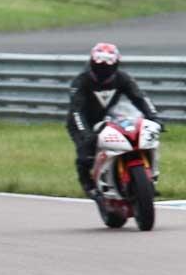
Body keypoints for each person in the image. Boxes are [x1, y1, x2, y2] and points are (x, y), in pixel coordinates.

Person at [67, 42, 164, 199]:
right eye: (99, 65)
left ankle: (147, 180)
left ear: (116, 64)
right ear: (92, 63)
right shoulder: (81, 82)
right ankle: (89, 187)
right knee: (85, 155)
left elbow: (140, 98)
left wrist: (154, 117)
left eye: (108, 65)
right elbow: (76, 111)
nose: (103, 69)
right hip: (81, 122)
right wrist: (86, 134)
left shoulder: (122, 78)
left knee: (135, 139)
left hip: (107, 118)